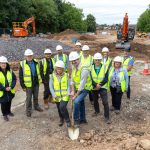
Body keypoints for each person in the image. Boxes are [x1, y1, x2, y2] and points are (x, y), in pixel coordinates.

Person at [69, 51, 92, 127]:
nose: (73, 62)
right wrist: (72, 90)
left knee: (76, 102)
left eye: (75, 60)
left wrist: (76, 95)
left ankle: (76, 121)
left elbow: (82, 84)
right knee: (81, 103)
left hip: (85, 89)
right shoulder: (74, 68)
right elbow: (72, 80)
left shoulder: (84, 69)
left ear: (78, 59)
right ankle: (83, 119)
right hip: (77, 89)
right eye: (72, 61)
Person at [19, 49, 43, 117]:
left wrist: (40, 80)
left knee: (36, 96)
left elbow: (39, 72)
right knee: (29, 98)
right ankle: (28, 110)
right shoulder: (22, 64)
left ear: (32, 55)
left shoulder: (36, 62)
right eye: (28, 56)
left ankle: (36, 106)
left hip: (36, 83)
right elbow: (20, 76)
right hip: (28, 85)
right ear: (25, 56)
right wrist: (23, 86)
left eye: (30, 55)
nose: (29, 57)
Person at [49, 60, 71, 127]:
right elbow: (51, 87)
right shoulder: (52, 76)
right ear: (55, 68)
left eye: (60, 68)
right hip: (57, 96)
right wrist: (53, 94)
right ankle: (61, 119)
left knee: (62, 107)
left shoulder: (67, 75)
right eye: (57, 68)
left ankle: (67, 120)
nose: (58, 70)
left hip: (65, 96)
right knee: (59, 108)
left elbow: (69, 85)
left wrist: (68, 92)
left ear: (63, 69)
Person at [90, 53, 110, 123]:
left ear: (101, 60)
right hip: (94, 87)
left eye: (99, 60)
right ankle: (97, 111)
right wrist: (95, 85)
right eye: (96, 60)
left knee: (105, 102)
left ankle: (107, 117)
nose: (97, 61)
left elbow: (106, 77)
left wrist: (100, 85)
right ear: (94, 60)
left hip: (102, 87)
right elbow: (90, 78)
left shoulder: (105, 67)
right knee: (95, 100)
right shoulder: (91, 67)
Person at [0, 56, 16, 121]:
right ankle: (4, 114)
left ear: (6, 64)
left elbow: (14, 79)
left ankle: (9, 112)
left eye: (4, 63)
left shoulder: (10, 71)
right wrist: (4, 88)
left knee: (9, 101)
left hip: (10, 90)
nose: (3, 64)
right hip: (2, 92)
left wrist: (11, 87)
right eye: (2, 63)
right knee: (3, 103)